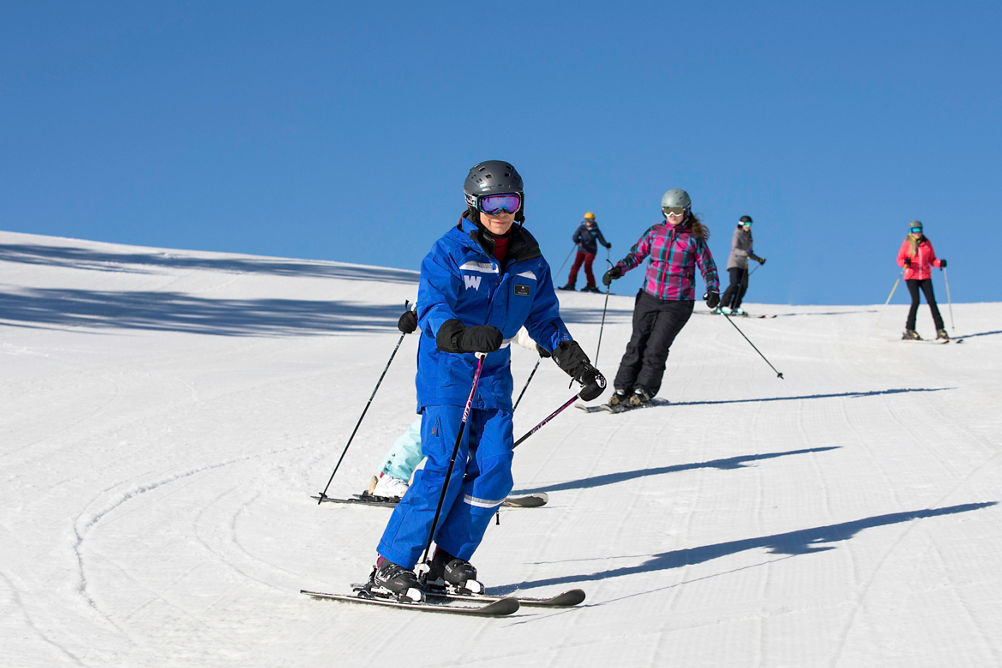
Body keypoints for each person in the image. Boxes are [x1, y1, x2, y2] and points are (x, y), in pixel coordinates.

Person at [370, 159, 605, 599]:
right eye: (492, 203)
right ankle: (391, 565)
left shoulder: (531, 263)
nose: (502, 213)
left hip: (493, 378)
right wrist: (461, 334)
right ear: (474, 204)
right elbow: (433, 308)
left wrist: (578, 365)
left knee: (495, 471)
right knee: (446, 466)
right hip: (448, 373)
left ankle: (447, 560)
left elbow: (545, 320)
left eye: (511, 203)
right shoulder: (447, 253)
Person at [367, 323, 547, 499]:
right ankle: (390, 476)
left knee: (476, 429)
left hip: (485, 373)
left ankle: (472, 483)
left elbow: (514, 322)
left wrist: (539, 341)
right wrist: (414, 319)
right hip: (447, 366)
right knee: (437, 427)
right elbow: (434, 308)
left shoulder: (502, 295)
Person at [601, 188, 719, 407]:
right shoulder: (655, 232)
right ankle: (622, 388)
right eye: (667, 211)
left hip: (677, 302)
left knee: (656, 346)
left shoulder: (694, 240)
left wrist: (713, 290)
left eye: (676, 211)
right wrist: (618, 270)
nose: (671, 216)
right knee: (636, 343)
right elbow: (636, 254)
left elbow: (708, 267)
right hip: (649, 296)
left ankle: (643, 389)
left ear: (686, 210)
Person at [896, 220, 948, 341]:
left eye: (919, 230)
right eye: (915, 230)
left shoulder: (927, 243)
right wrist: (906, 263)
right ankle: (910, 329)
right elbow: (899, 260)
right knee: (916, 301)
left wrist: (940, 263)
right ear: (910, 232)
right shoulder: (906, 244)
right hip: (912, 276)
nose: (917, 233)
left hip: (925, 276)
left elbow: (932, 260)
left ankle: (940, 330)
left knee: (932, 302)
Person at [718, 215, 765, 315]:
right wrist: (746, 253)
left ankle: (735, 306)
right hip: (735, 262)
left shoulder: (749, 236)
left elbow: (749, 252)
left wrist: (759, 259)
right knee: (734, 284)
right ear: (741, 224)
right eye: (747, 224)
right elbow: (735, 249)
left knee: (743, 286)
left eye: (750, 224)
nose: (748, 226)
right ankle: (722, 306)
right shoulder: (737, 233)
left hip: (744, 265)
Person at [559, 211, 611, 293]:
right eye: (587, 220)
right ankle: (571, 284)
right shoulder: (581, 228)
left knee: (587, 267)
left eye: (590, 221)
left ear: (593, 221)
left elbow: (601, 239)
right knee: (575, 266)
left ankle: (591, 285)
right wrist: (576, 240)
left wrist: (606, 245)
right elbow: (575, 236)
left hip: (591, 251)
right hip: (581, 250)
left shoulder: (596, 230)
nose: (588, 222)